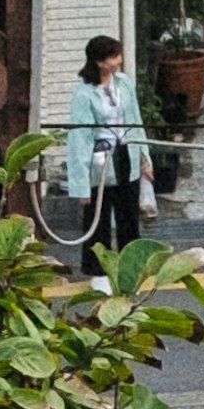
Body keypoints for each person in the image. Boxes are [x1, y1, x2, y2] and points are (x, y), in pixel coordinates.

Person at [59, 35, 150, 265]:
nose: (118, 61)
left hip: (126, 154)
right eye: (112, 57)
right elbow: (80, 138)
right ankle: (97, 269)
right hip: (100, 160)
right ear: (99, 62)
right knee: (97, 217)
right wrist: (81, 186)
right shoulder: (83, 93)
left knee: (129, 214)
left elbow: (135, 119)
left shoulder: (124, 83)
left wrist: (145, 157)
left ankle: (133, 264)